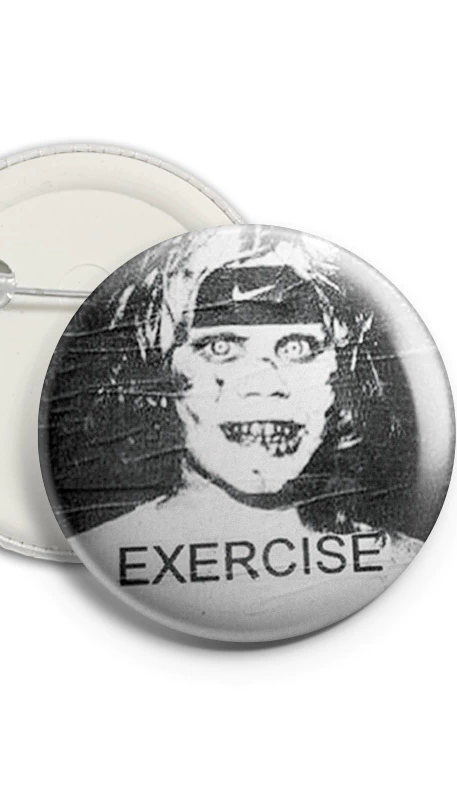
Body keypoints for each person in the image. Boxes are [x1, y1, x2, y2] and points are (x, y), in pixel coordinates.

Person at [42, 226, 424, 639]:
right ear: (162, 371)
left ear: (338, 371)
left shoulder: (400, 557)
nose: (264, 384)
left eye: (297, 347)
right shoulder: (101, 554)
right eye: (220, 347)